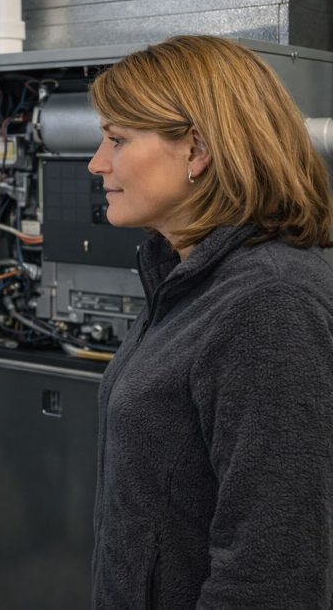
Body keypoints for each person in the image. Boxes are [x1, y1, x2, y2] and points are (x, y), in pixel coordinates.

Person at [86, 35, 333, 608]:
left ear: (196, 150)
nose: (98, 163)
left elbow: (273, 573)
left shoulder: (271, 305)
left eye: (118, 139)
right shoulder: (184, 279)